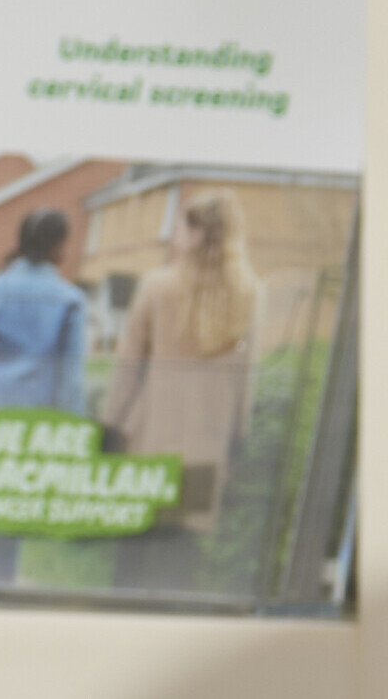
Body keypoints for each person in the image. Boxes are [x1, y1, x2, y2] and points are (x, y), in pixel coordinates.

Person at [0, 208, 97, 583]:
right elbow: (70, 382)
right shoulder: (70, 302)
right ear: (61, 247)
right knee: (5, 549)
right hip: (23, 437)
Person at [101, 194, 262, 542]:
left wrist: (110, 425)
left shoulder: (156, 286)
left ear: (198, 234)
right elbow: (244, 380)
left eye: (181, 227)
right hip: (208, 446)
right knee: (181, 558)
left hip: (148, 439)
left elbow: (128, 368)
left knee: (133, 551)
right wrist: (238, 441)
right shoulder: (246, 296)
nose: (175, 234)